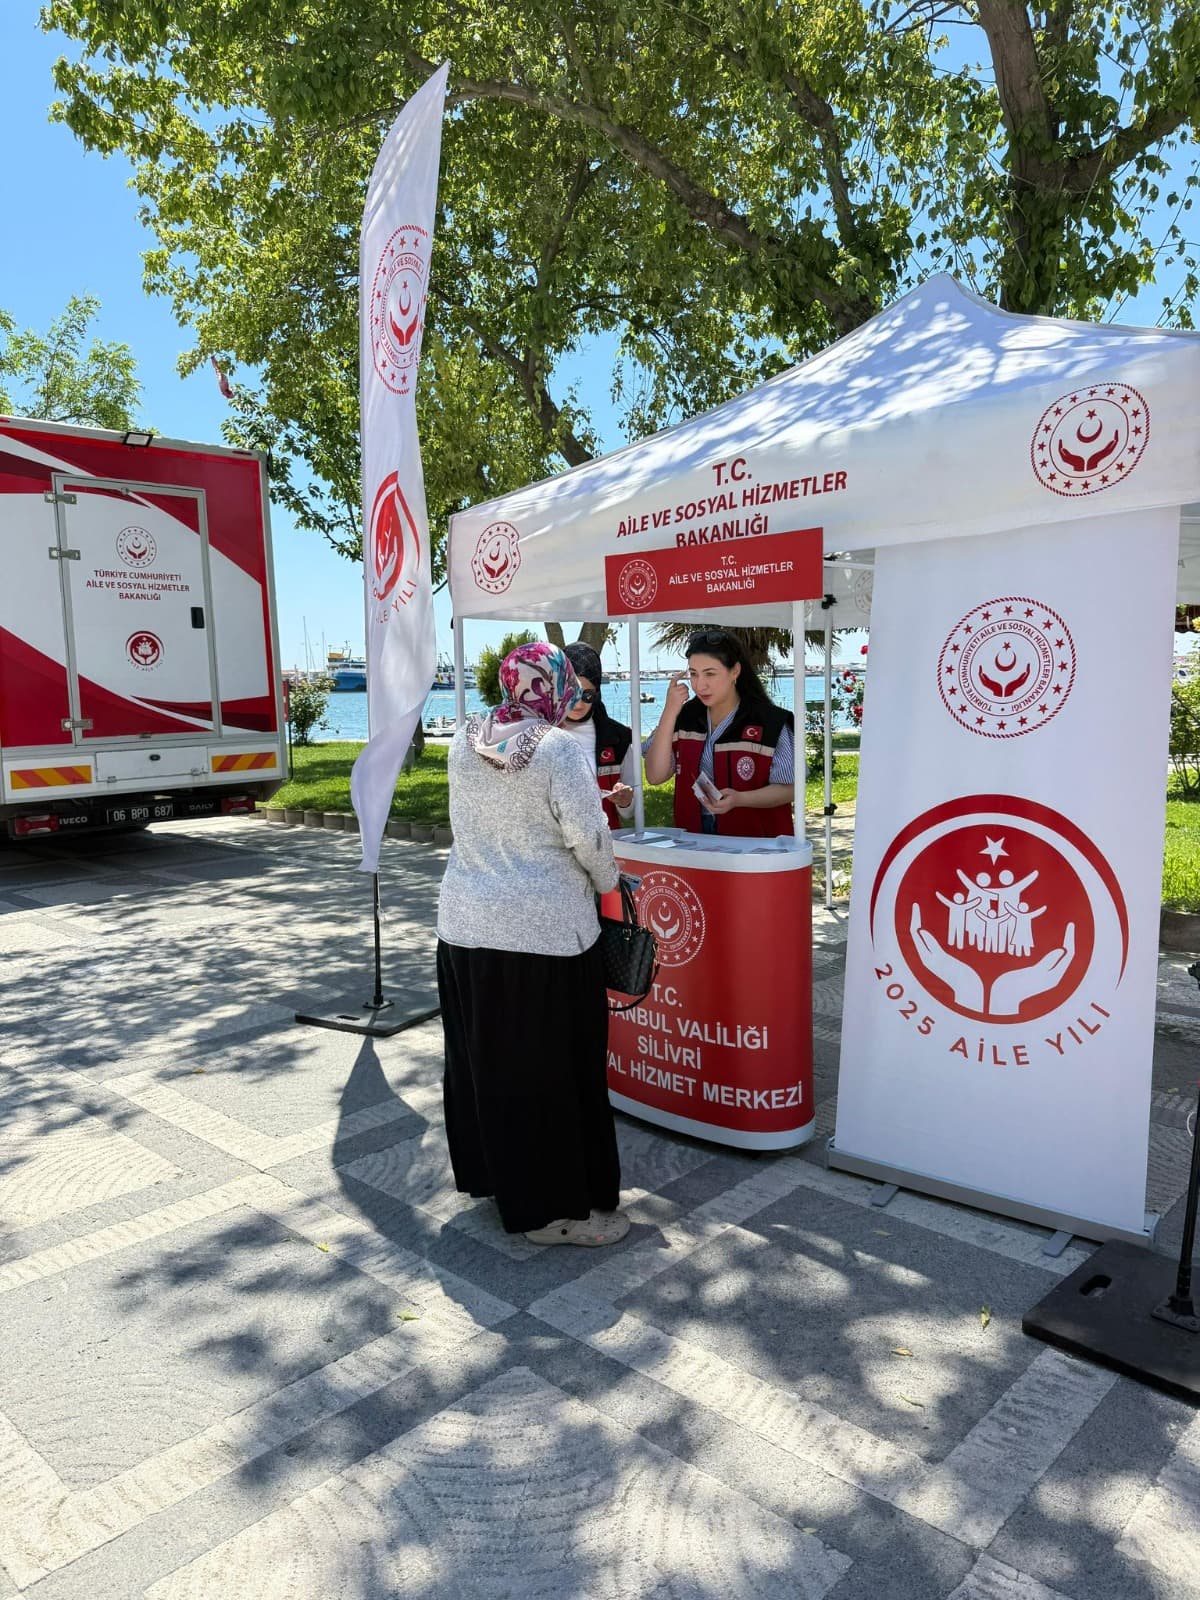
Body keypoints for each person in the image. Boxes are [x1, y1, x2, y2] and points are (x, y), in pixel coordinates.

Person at [435, 642, 631, 1247]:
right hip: (545, 937)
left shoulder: (463, 738)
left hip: (465, 927)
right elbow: (590, 840)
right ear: (560, 684)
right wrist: (610, 886)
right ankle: (555, 1213)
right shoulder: (560, 750)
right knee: (553, 1071)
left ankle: (504, 1180)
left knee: (486, 1064)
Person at [643, 627, 796, 837]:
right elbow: (655, 775)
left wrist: (741, 799)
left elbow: (791, 789)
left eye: (710, 674)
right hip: (694, 838)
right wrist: (670, 711)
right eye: (693, 674)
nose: (700, 685)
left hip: (754, 844)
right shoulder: (684, 716)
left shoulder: (770, 721)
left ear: (735, 671)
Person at [562, 640, 636, 829]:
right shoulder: (540, 734)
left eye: (587, 695)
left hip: (605, 847)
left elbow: (630, 812)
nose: (579, 704)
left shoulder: (619, 738)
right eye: (572, 693)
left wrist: (625, 800)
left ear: (597, 692)